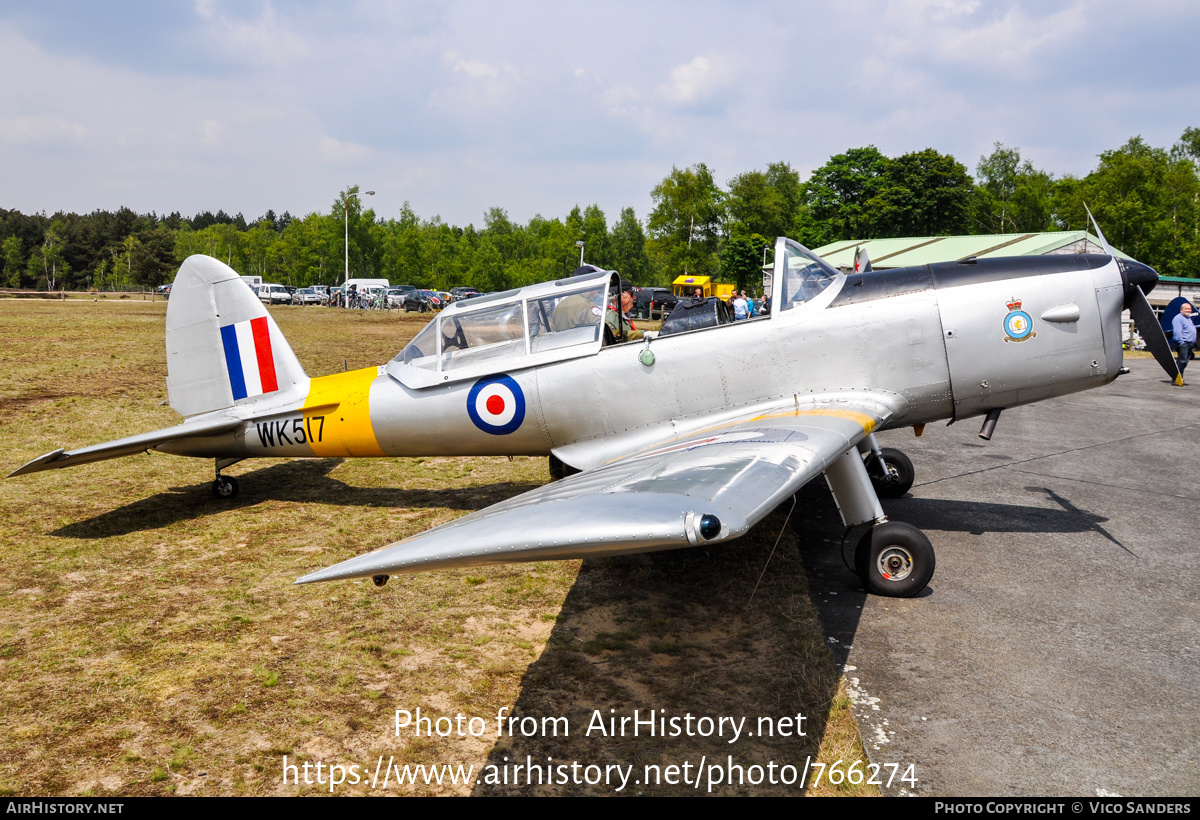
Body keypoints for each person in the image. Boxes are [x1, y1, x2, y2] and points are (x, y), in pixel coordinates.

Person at [1172, 301, 1196, 384]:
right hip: (1183, 343)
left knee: (1185, 362)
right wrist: (1181, 342)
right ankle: (1176, 379)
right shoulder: (1178, 318)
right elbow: (1177, 331)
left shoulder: (1188, 318)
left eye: (1189, 309)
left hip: (1189, 344)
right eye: (1186, 309)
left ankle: (1180, 378)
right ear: (1181, 310)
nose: (1188, 310)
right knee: (1181, 361)